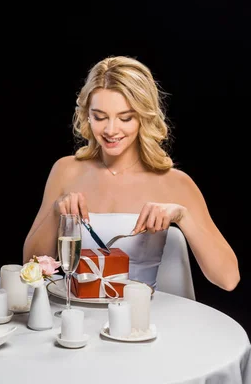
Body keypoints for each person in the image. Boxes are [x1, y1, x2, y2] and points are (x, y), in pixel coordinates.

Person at [23, 55, 239, 292]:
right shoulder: (65, 170)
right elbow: (30, 266)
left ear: (144, 117)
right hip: (76, 316)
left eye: (125, 118)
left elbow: (228, 279)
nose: (110, 130)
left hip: (143, 321)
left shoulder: (175, 183)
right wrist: (57, 211)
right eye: (100, 117)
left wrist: (183, 217)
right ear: (86, 114)